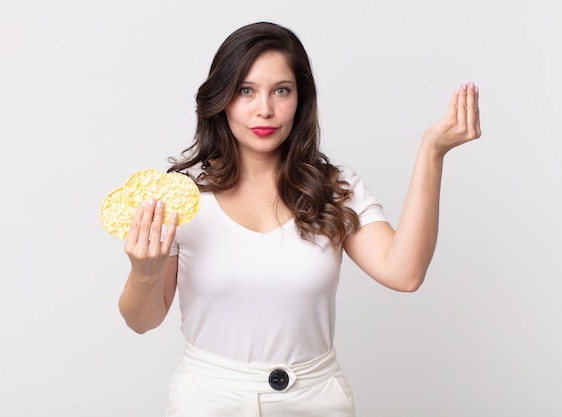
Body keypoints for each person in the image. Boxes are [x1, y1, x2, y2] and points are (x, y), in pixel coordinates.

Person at [117, 21, 481, 417]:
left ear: (300, 98)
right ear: (222, 98)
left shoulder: (334, 187)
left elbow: (405, 272)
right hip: (209, 398)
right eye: (246, 90)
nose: (265, 109)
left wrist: (432, 152)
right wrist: (145, 271)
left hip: (315, 398)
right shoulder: (183, 196)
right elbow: (142, 321)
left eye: (281, 91)